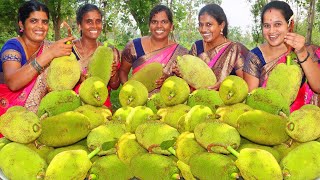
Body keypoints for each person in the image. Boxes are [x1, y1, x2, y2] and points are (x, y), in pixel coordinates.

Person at [0, 0, 74, 115]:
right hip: (10, 115)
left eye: (44, 22)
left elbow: (62, 78)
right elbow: (13, 83)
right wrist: (49, 54)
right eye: (33, 21)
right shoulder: (13, 46)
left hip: (40, 117)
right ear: (21, 24)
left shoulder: (49, 47)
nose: (40, 26)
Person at [243, 1, 320, 110]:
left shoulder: (306, 50)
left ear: (290, 24)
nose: (271, 31)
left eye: (278, 24)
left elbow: (318, 86)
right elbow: (251, 99)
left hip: (303, 120)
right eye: (266, 26)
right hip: (269, 119)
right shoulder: (255, 57)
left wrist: (302, 53)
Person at [119, 4, 188, 92]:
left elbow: (186, 84)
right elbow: (123, 71)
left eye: (164, 22)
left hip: (168, 102)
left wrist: (168, 79)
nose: (159, 26)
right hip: (136, 102)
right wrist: (128, 91)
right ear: (149, 26)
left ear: (171, 26)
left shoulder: (181, 53)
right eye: (154, 22)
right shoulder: (134, 47)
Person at [188, 3, 250, 90]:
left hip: (227, 101)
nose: (203, 29)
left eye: (209, 24)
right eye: (201, 25)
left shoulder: (235, 49)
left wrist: (223, 86)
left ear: (222, 25)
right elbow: (189, 79)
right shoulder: (197, 47)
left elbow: (247, 85)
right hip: (197, 100)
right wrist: (180, 72)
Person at [72, 4, 120, 109]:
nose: (94, 25)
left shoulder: (110, 52)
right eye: (89, 21)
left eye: (98, 21)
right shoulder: (68, 50)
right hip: (73, 106)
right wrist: (78, 78)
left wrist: (114, 73)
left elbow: (115, 86)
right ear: (80, 25)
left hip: (101, 107)